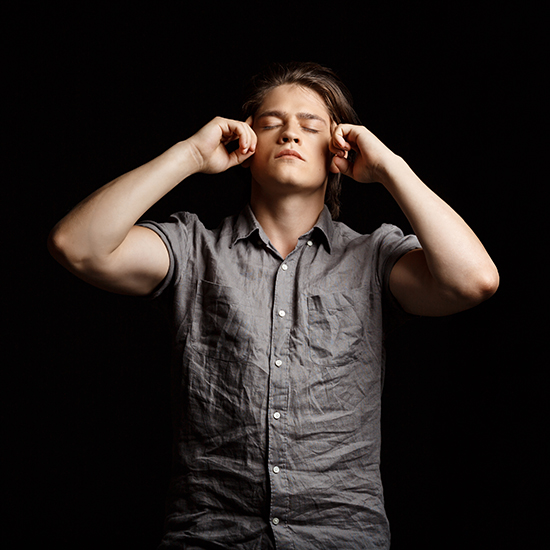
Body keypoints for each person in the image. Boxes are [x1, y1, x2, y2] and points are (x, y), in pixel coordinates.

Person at [48, 62, 499, 549]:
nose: (290, 133)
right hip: (210, 535)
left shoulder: (374, 255)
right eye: (270, 123)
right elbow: (78, 245)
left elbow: (473, 281)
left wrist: (389, 167)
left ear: (339, 150)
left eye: (311, 126)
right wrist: (189, 154)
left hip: (341, 536)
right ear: (245, 145)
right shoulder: (192, 247)